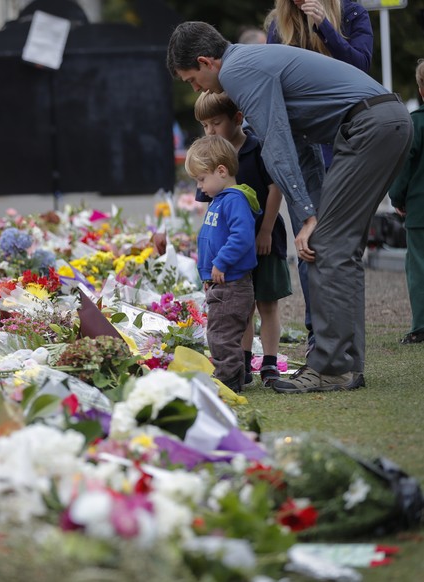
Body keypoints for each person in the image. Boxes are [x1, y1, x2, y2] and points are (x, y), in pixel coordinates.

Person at [166, 21, 412, 393]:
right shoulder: (250, 60)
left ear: (205, 61)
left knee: (327, 245)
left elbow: (276, 145)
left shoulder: (236, 70)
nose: (196, 89)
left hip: (368, 127)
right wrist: (309, 211)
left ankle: (332, 368)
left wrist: (311, 217)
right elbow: (303, 147)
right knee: (338, 248)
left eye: (191, 80)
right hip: (380, 122)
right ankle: (346, 366)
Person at [266, 0, 373, 356]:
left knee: (341, 248)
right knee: (308, 247)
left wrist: (326, 26)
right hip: (303, 151)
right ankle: (318, 337)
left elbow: (362, 67)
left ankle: (347, 340)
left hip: (348, 143)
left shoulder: (352, 13)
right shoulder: (278, 26)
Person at [194, 92, 292, 387]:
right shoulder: (210, 158)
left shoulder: (256, 148)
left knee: (267, 302)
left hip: (264, 238)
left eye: (216, 123)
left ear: (237, 119)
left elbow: (276, 188)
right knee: (241, 307)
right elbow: (210, 210)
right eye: (204, 125)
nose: (210, 130)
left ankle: (271, 363)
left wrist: (264, 230)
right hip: (233, 251)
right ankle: (244, 362)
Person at [186, 135, 259, 391]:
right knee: (219, 331)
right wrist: (208, 277)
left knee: (222, 334)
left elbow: (242, 236)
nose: (200, 186)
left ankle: (228, 379)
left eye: (201, 179)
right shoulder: (219, 200)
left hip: (232, 282)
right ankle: (232, 375)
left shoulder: (234, 200)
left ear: (221, 170)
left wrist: (222, 262)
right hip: (220, 282)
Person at [389, 59, 424, 345]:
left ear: (421, 89)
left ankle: (421, 325)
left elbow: (405, 165)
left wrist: (396, 197)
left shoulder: (416, 123)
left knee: (419, 267)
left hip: (420, 209)